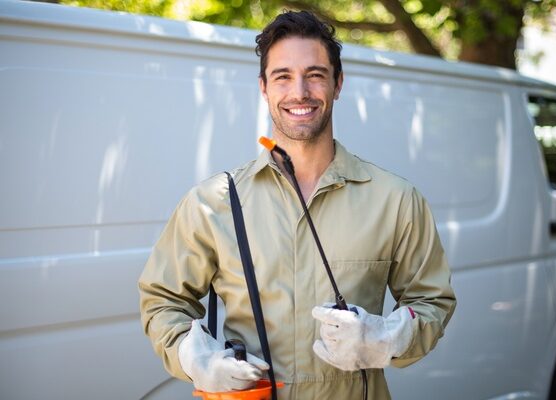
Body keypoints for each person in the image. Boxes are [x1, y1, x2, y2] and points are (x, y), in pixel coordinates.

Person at [138, 10, 456, 399]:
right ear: (264, 87)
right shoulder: (212, 202)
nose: (299, 91)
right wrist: (196, 356)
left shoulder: (396, 200)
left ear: (338, 84)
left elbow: (432, 303)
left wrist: (385, 337)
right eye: (283, 76)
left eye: (316, 74)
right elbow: (162, 301)